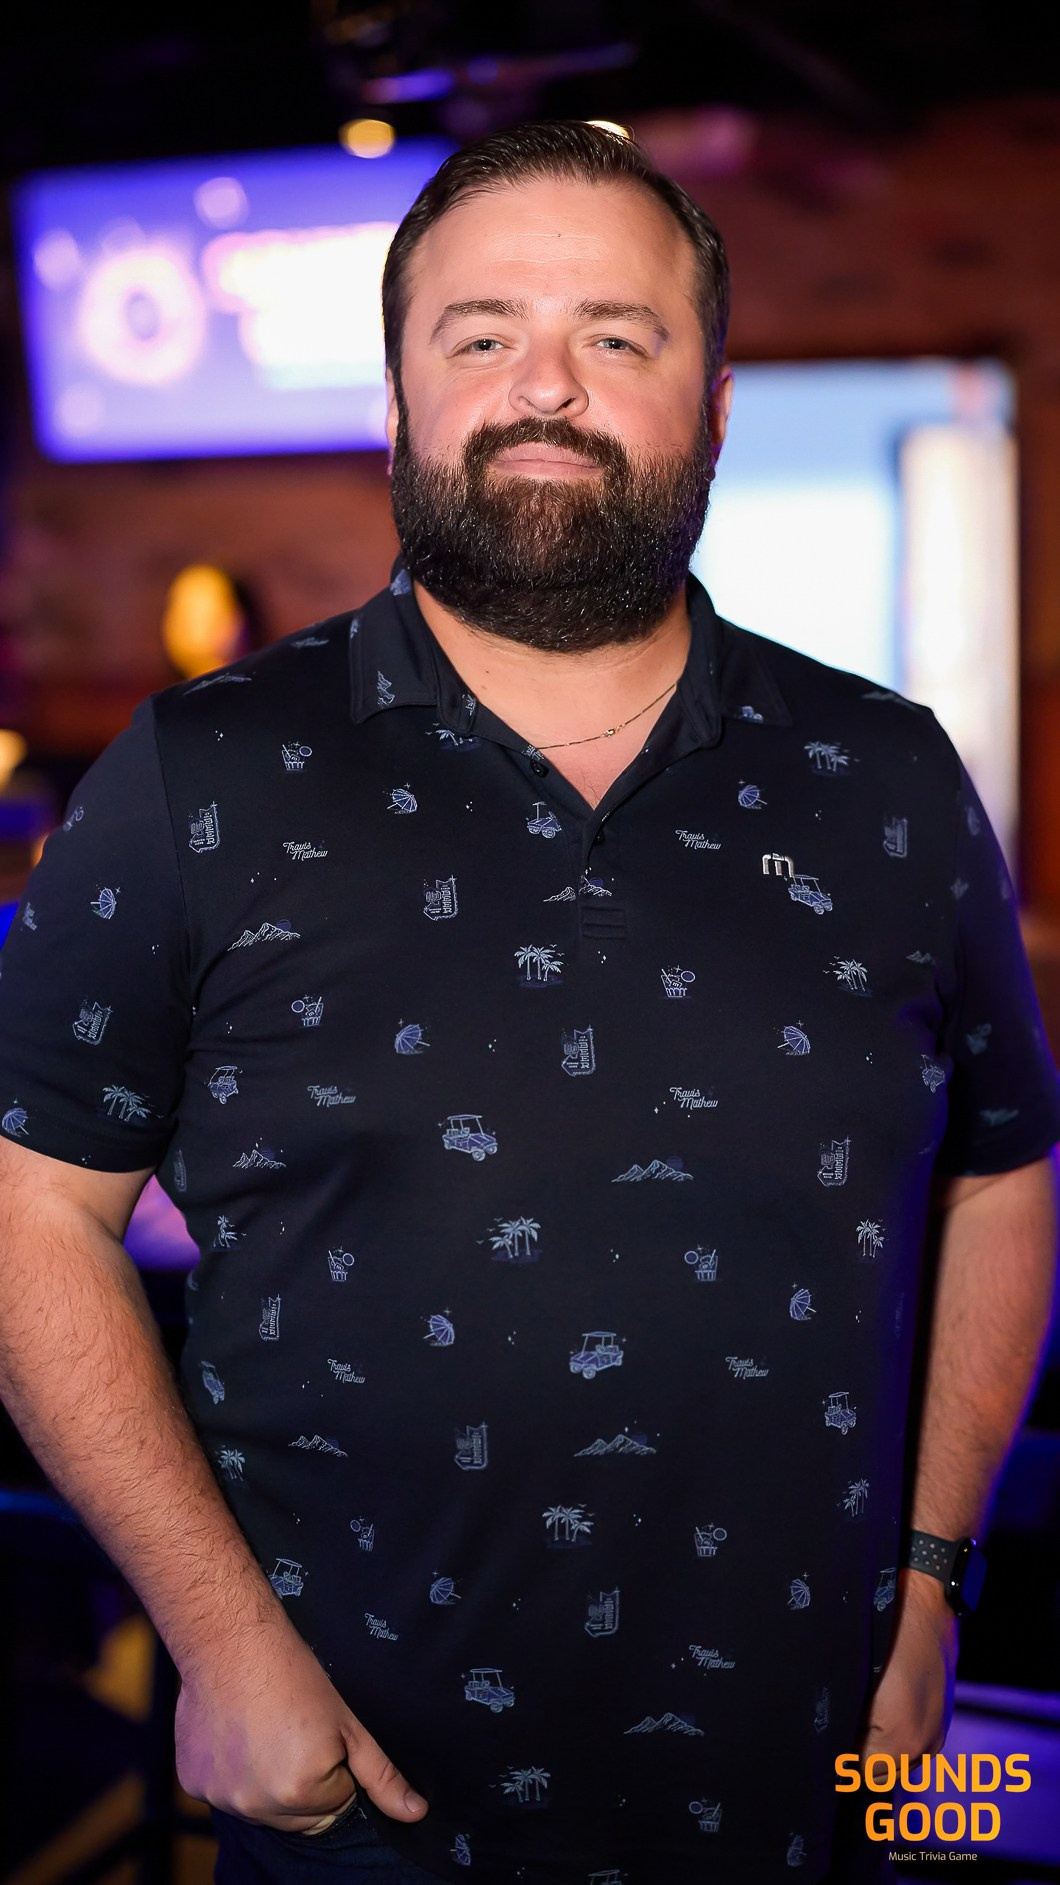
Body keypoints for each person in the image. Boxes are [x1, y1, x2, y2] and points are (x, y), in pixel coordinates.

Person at [0, 121, 1057, 1885]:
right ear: (396, 403)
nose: (544, 385)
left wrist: (937, 1578)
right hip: (355, 1803)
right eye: (480, 333)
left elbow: (1005, 1169)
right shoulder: (202, 774)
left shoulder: (887, 779)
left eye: (615, 336)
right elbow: (29, 1204)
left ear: (714, 407)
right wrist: (219, 1641)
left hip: (823, 1782)